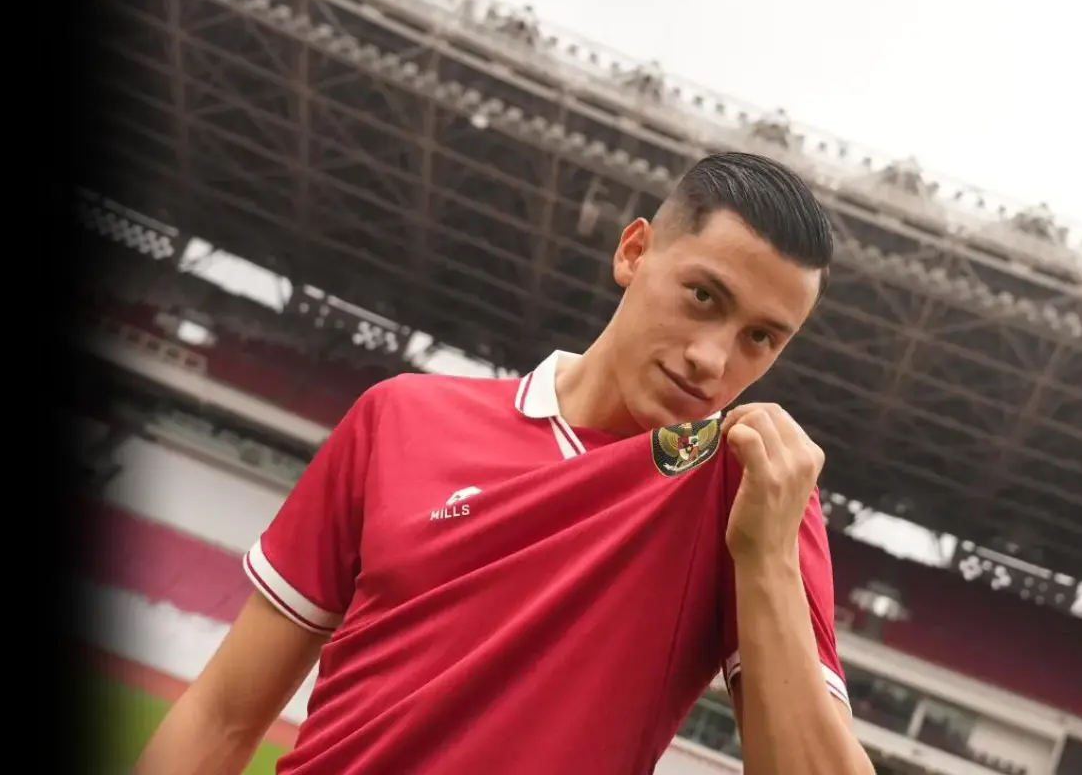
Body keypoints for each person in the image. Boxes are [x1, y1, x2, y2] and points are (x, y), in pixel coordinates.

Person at [134, 152, 876, 775]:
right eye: (703, 296)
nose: (713, 358)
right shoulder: (399, 418)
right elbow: (224, 714)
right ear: (634, 252)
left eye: (760, 338)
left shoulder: (753, 492)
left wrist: (766, 559)